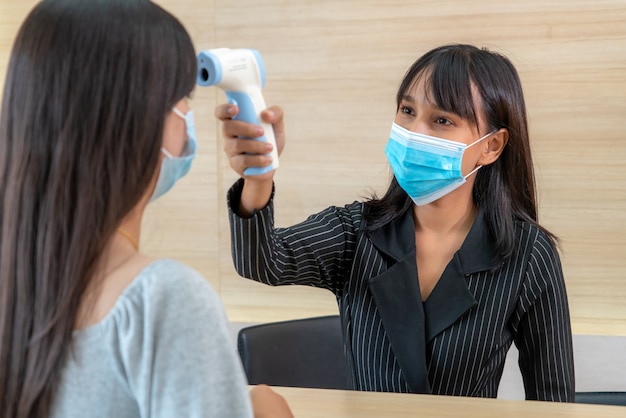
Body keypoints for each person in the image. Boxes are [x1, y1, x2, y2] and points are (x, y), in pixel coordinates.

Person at [217, 43, 575, 401]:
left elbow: (553, 400)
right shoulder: (356, 231)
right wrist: (259, 178)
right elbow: (262, 261)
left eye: (442, 120)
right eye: (407, 110)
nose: (414, 132)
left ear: (492, 146)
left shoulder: (527, 254)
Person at [0, 1, 293, 417]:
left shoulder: (17, 292)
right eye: (181, 98)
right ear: (130, 119)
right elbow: (269, 262)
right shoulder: (163, 300)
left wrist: (258, 182)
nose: (188, 114)